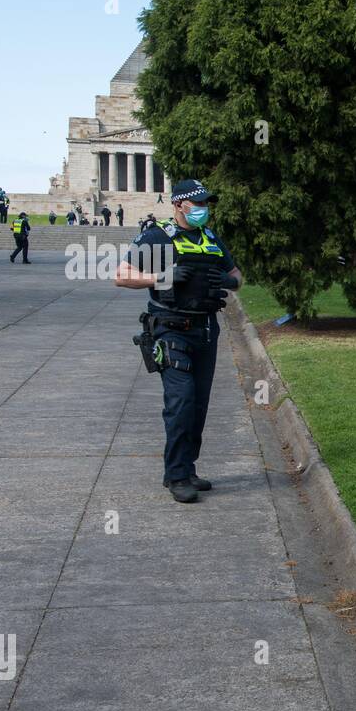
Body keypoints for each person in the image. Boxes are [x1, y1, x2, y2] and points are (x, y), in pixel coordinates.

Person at [114, 179, 242, 503]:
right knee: (181, 402)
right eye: (196, 203)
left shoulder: (210, 238)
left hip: (207, 331)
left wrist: (230, 281)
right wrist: (161, 276)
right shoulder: (157, 236)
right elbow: (122, 275)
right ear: (178, 205)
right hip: (171, 331)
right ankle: (176, 476)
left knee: (198, 405)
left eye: (205, 203)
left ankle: (188, 466)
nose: (202, 209)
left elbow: (238, 276)